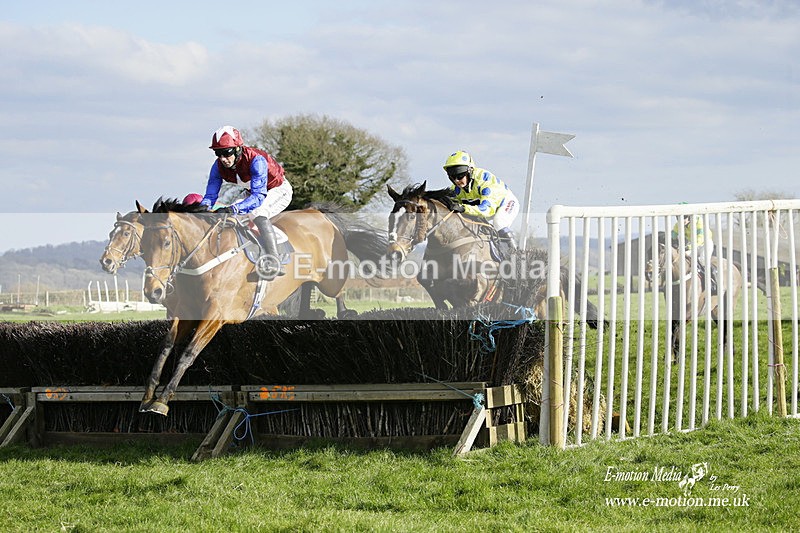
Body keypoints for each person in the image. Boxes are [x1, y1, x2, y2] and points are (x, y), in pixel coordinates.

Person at [200, 126, 293, 278]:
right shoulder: (217, 167)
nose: (223, 158)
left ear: (238, 149)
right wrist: (200, 210)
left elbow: (258, 197)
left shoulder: (256, 160)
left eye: (226, 152)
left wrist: (232, 209)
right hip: (253, 192)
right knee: (232, 218)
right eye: (218, 153)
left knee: (258, 212)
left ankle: (274, 260)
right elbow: (210, 196)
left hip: (277, 190)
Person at [443, 150, 520, 250]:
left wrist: (463, 208)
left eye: (460, 175)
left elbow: (486, 210)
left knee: (499, 222)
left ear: (470, 171)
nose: (456, 180)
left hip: (505, 203)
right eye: (452, 177)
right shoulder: (456, 189)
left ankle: (516, 256)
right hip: (483, 208)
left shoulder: (485, 182)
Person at [672, 212, 716, 292]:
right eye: (679, 219)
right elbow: (673, 235)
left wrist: (688, 247)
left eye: (684, 218)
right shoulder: (677, 225)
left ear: (688, 217)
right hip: (692, 244)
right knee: (684, 258)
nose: (681, 221)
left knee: (703, 260)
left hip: (704, 243)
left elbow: (700, 237)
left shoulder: (699, 221)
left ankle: (712, 281)